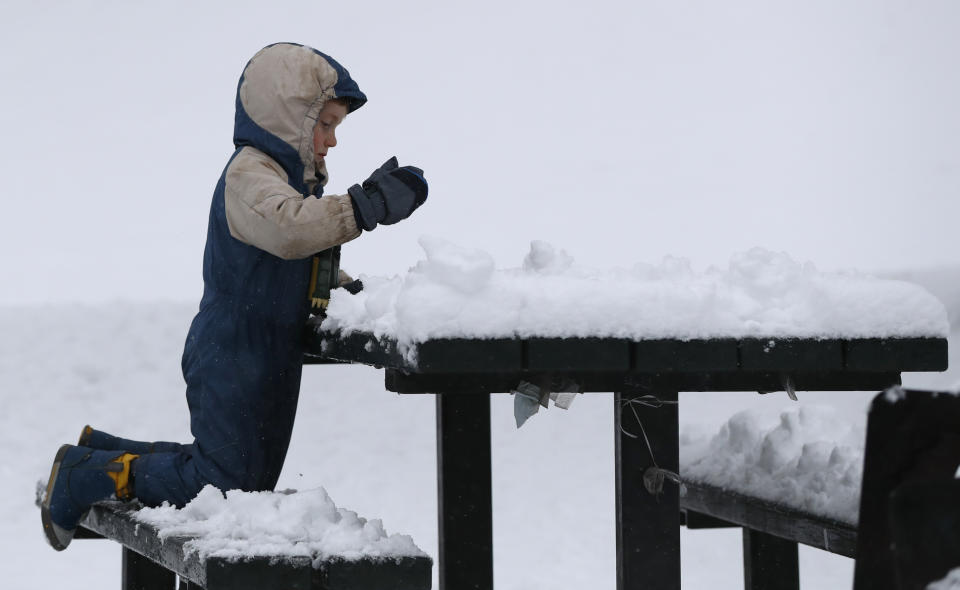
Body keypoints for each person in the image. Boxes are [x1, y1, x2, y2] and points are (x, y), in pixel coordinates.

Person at [40, 42, 428, 551]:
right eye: (326, 123)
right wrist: (363, 206)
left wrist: (344, 286)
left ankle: (104, 451)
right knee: (222, 486)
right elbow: (291, 232)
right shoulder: (250, 177)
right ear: (288, 116)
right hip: (234, 350)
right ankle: (82, 473)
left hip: (264, 352)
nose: (331, 141)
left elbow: (298, 256)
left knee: (240, 480)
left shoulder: (286, 185)